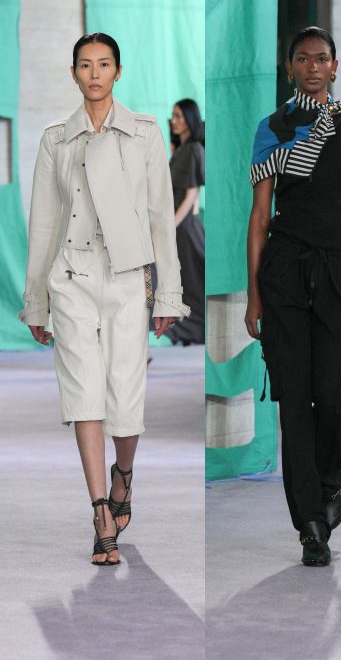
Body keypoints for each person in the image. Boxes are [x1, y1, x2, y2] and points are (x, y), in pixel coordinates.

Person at [20, 33, 189, 565]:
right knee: (83, 393)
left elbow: (161, 217)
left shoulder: (143, 133)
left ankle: (124, 475)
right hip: (71, 277)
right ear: (73, 73)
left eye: (104, 64)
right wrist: (37, 301)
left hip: (126, 278)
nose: (94, 73)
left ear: (118, 71)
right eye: (85, 65)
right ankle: (100, 513)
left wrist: (169, 294)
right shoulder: (56, 138)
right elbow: (43, 224)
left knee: (125, 397)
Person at [244, 26, 341, 567]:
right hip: (284, 273)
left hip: (338, 274)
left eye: (321, 58)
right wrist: (254, 295)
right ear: (289, 68)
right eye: (302, 59)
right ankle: (309, 523)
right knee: (293, 401)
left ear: (335, 66)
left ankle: (329, 482)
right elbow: (260, 217)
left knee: (332, 395)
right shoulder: (272, 129)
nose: (312, 66)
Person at [165, 99, 205, 345]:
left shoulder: (193, 150)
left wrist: (169, 227)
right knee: (186, 285)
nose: (174, 120)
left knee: (194, 283)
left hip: (184, 228)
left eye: (179, 115)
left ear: (190, 118)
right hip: (179, 227)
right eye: (173, 116)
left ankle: (197, 332)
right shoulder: (182, 150)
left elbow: (191, 195)